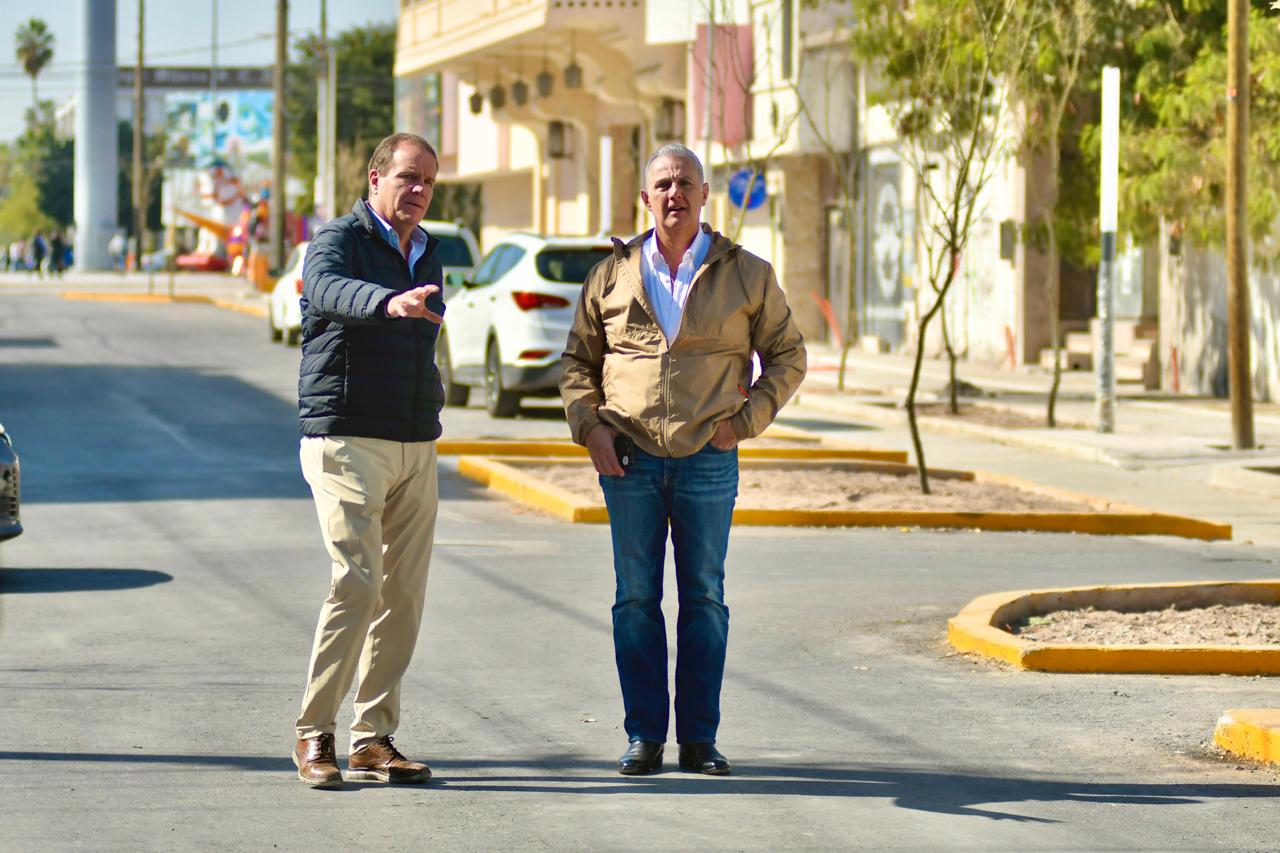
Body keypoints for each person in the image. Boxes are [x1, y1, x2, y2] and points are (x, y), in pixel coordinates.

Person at [560, 143, 807, 777]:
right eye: (663, 184)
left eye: (685, 184)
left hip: (707, 460)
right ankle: (645, 735)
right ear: (645, 199)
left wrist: (744, 422)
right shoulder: (609, 275)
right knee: (635, 599)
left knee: (704, 598)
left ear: (704, 197)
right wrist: (590, 429)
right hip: (630, 461)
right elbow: (577, 366)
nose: (674, 194)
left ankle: (699, 740)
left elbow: (788, 355)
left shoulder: (747, 272)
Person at [292, 131, 447, 789]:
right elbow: (327, 290)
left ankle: (373, 736)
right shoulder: (339, 240)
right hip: (347, 435)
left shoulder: (428, 250)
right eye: (407, 177)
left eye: (427, 182)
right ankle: (314, 731)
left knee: (404, 595)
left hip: (415, 439)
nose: (417, 191)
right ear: (375, 176)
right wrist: (388, 302)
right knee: (357, 579)